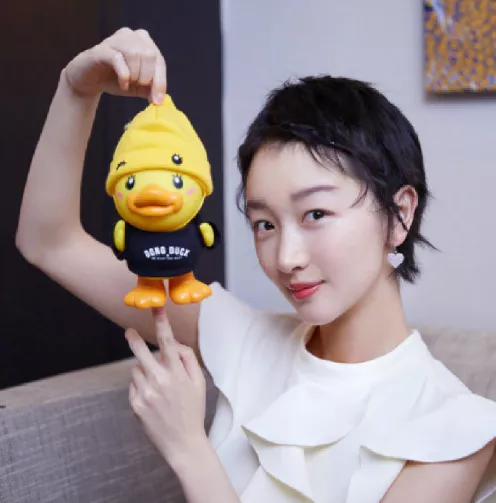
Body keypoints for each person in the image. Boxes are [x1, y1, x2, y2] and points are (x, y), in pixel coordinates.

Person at [16, 27, 496, 503]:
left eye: (315, 214)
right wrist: (77, 90)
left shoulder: (456, 430)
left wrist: (188, 449)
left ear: (399, 215)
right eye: (264, 224)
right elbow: (49, 242)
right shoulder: (244, 339)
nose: (286, 258)